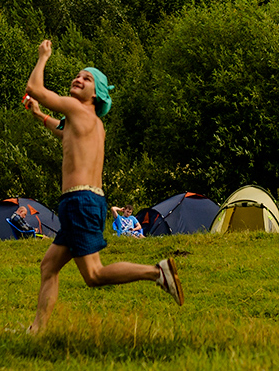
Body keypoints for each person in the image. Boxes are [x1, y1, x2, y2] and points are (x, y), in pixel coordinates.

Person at [21, 40, 182, 335]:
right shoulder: (90, 122)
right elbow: (63, 132)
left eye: (87, 79)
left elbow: (35, 87)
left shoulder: (76, 109)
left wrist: (43, 56)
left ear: (96, 95)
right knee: (49, 267)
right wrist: (39, 115)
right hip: (82, 201)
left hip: (79, 201)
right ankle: (36, 331)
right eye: (78, 75)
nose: (78, 79)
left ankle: (158, 273)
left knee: (94, 274)